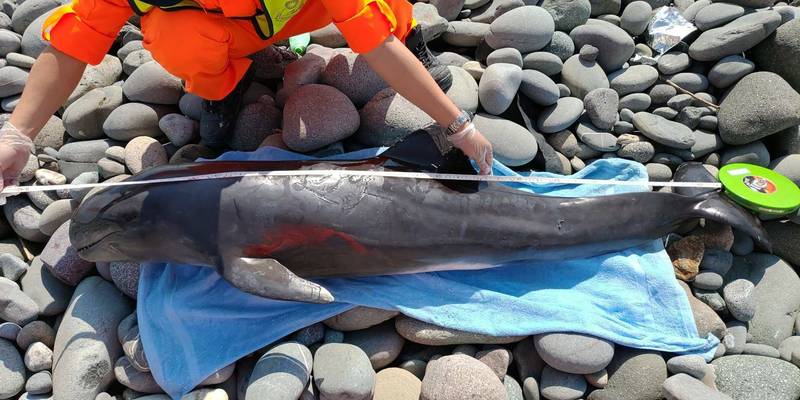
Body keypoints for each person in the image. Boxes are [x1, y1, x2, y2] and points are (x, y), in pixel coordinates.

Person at [0, 0, 495, 194]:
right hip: (233, 26)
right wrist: (17, 134)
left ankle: (413, 34)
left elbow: (374, 45)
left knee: (383, 10)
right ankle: (225, 82)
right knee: (177, 36)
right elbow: (71, 45)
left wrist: (459, 127)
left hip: (306, 8)